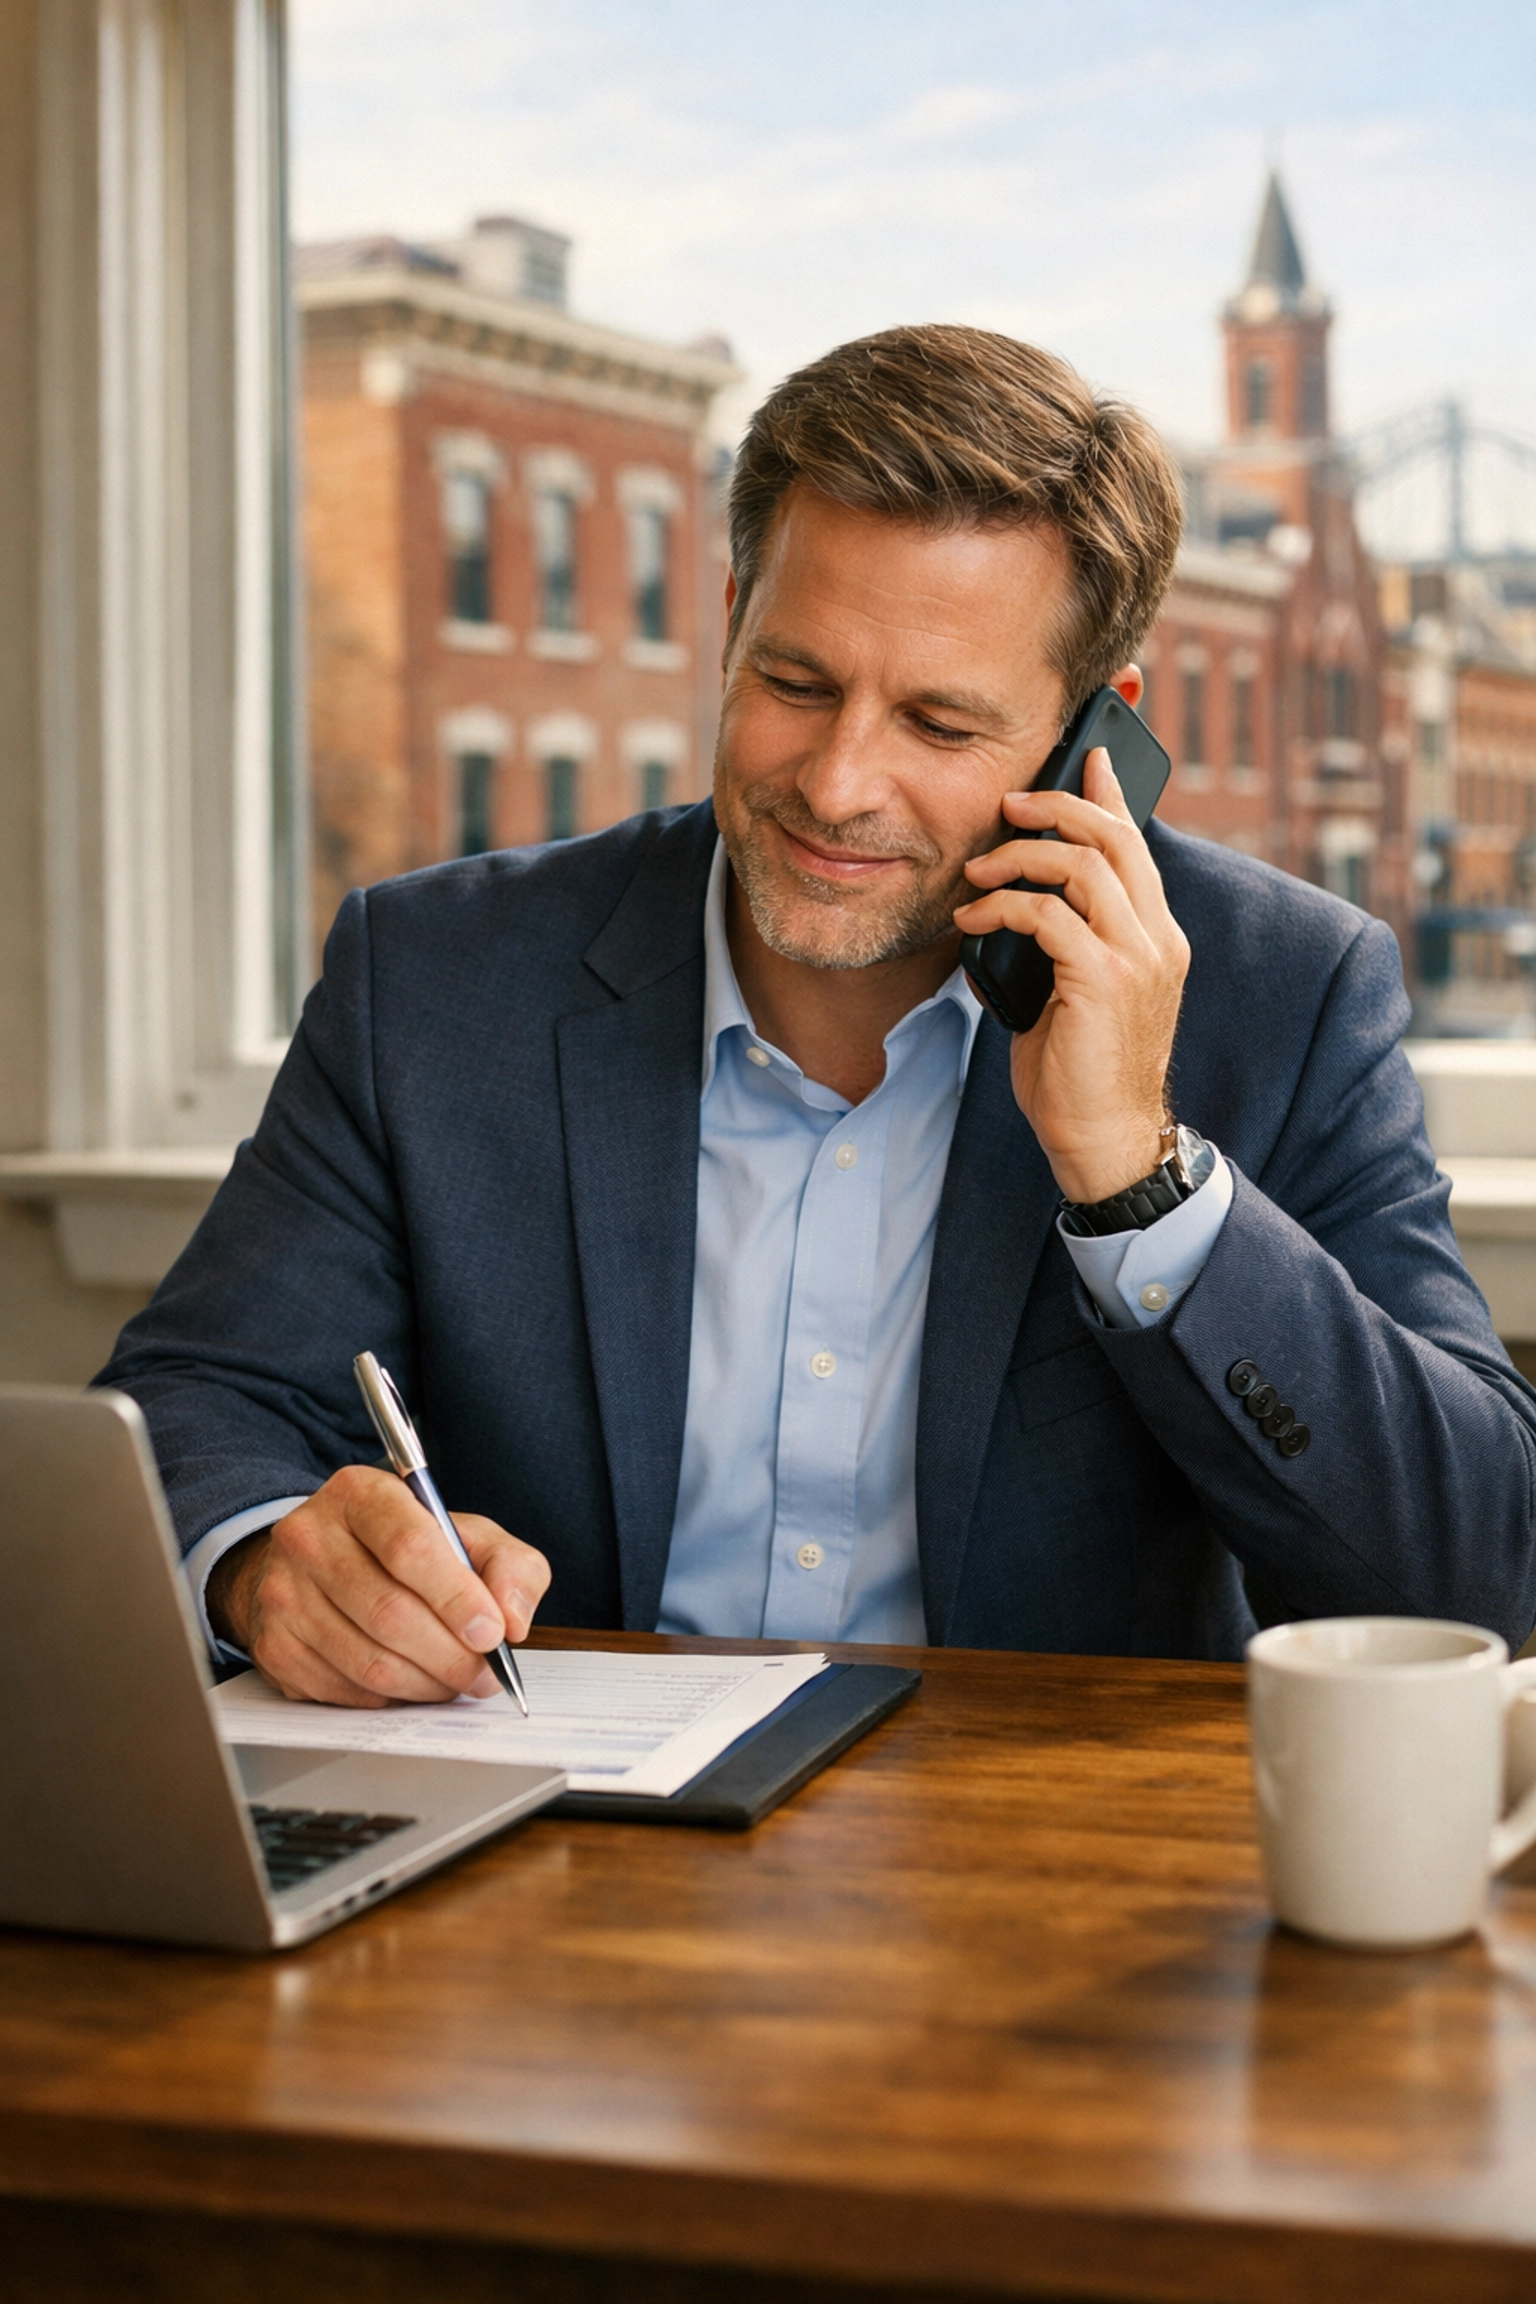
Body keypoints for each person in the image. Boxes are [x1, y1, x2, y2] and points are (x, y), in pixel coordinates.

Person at [100, 324, 1536, 1709]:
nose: (839, 784)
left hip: (1044, 1852)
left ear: (1093, 733)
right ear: (731, 625)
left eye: (940, 724)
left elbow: (1474, 1576)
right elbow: (192, 1399)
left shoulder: (1285, 995)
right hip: (561, 1834)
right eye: (796, 682)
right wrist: (263, 1565)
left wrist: (1137, 1177)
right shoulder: (436, 977)